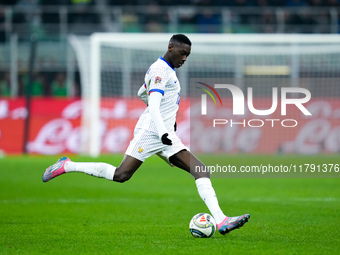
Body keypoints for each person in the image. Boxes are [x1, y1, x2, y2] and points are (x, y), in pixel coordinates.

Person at [42, 34, 250, 235]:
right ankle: (67, 165)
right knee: (121, 175)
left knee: (200, 170)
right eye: (182, 53)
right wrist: (161, 130)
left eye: (188, 55)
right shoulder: (161, 70)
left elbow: (142, 93)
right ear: (171, 47)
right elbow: (153, 105)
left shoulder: (166, 70)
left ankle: (221, 220)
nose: (185, 58)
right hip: (151, 132)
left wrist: (169, 122)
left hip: (163, 133)